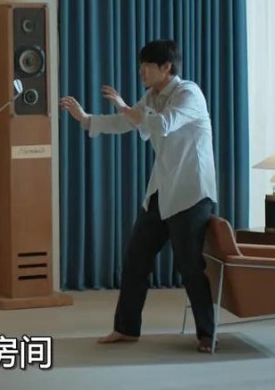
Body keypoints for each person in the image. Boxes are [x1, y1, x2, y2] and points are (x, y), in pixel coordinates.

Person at [59, 40, 218, 353]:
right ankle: (126, 328)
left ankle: (207, 334)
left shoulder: (189, 93)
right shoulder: (152, 96)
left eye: (148, 66)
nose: (141, 71)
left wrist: (126, 107)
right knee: (135, 259)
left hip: (191, 192)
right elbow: (127, 121)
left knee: (189, 267)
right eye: (141, 65)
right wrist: (86, 118)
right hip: (161, 190)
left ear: (166, 67)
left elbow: (163, 124)